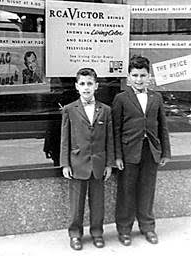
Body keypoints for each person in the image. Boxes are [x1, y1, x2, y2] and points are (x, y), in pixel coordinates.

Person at [112, 55, 171, 246]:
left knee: (147, 190)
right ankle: (124, 229)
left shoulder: (156, 97)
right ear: (128, 77)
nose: (139, 79)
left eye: (143, 75)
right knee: (126, 191)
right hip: (129, 152)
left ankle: (147, 227)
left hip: (151, 151)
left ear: (149, 76)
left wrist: (165, 152)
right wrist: (118, 156)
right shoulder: (121, 98)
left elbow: (162, 126)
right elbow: (116, 129)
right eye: (135, 75)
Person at [60, 68, 114, 250]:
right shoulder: (69, 109)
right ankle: (75, 234)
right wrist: (65, 163)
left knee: (98, 202)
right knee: (76, 203)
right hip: (77, 163)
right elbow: (64, 138)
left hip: (98, 163)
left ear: (96, 86)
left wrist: (109, 163)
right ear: (76, 86)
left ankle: (97, 232)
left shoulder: (105, 110)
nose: (86, 87)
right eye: (82, 84)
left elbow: (110, 138)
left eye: (89, 83)